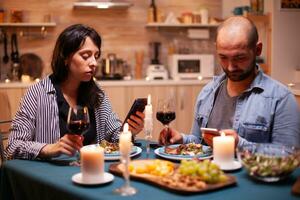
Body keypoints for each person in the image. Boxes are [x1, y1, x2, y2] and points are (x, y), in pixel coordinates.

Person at [5, 24, 144, 160]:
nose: (94, 63)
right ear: (65, 58)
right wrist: (50, 148)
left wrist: (129, 131)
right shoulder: (38, 93)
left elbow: (114, 134)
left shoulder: (97, 93)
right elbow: (12, 146)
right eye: (85, 56)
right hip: (52, 176)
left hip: (95, 170)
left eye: (96, 56)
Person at [159, 16, 300, 148]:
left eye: (239, 57)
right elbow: (200, 142)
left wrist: (240, 145)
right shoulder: (207, 92)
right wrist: (182, 139)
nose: (231, 67)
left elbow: (289, 154)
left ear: (258, 49)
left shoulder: (281, 98)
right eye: (223, 57)